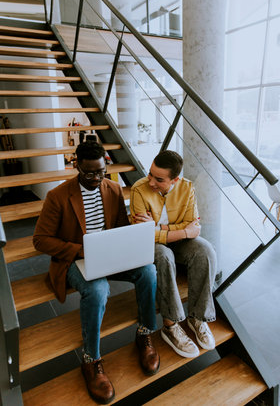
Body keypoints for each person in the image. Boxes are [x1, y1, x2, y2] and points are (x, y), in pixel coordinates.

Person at [33, 141, 159, 405]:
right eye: (89, 173)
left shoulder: (112, 188)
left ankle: (145, 334)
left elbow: (121, 228)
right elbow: (41, 240)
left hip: (109, 253)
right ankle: (91, 360)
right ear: (76, 166)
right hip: (75, 259)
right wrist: (80, 250)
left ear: (105, 165)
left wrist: (131, 240)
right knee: (98, 289)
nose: (95, 178)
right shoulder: (57, 196)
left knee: (148, 271)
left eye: (101, 172)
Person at [130, 150, 217, 359]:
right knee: (163, 256)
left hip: (179, 241)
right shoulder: (138, 190)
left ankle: (197, 318)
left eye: (158, 179)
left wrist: (161, 228)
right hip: (150, 246)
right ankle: (170, 325)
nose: (151, 182)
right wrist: (183, 231)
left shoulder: (187, 187)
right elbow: (144, 235)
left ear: (175, 180)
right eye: (150, 174)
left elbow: (192, 225)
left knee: (206, 250)